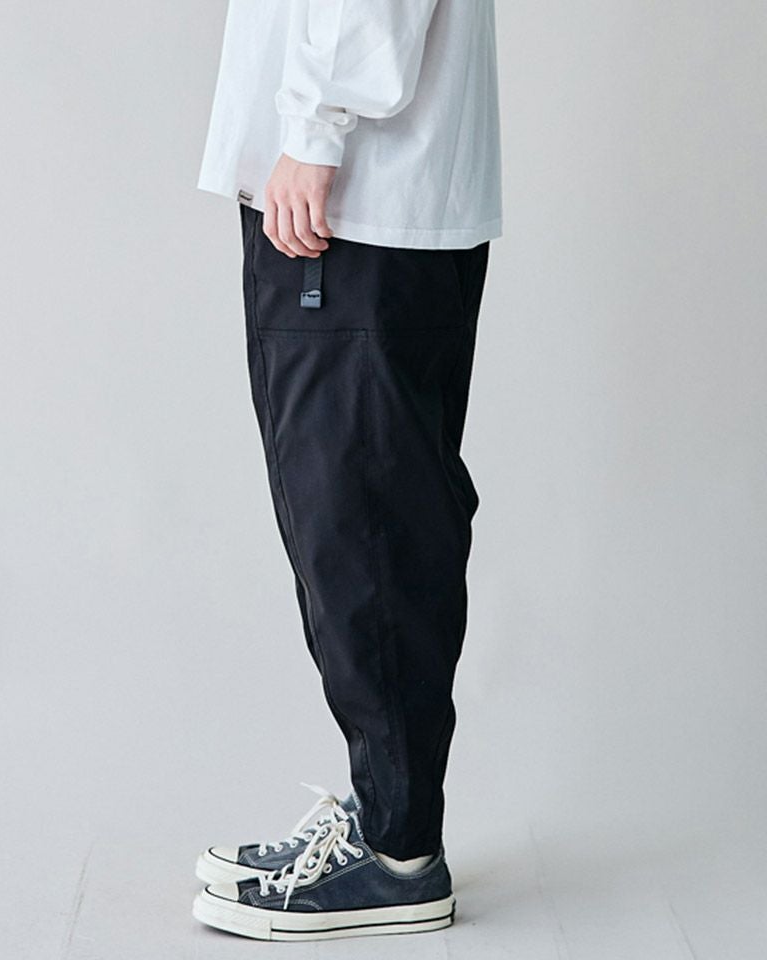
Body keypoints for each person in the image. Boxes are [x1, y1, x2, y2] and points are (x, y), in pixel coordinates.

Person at [191, 0, 502, 942]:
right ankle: (385, 818)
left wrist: (313, 129)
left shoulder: (327, 144)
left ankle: (397, 854)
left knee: (359, 521)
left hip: (354, 193)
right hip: (374, 193)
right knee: (369, 511)